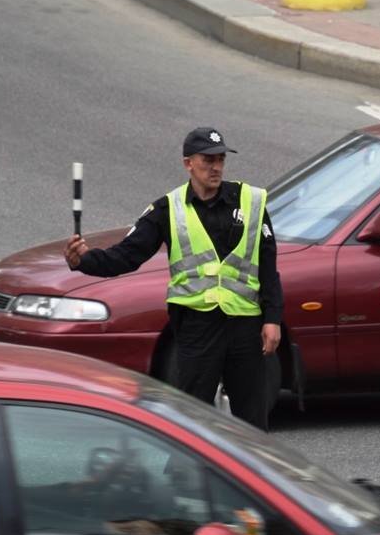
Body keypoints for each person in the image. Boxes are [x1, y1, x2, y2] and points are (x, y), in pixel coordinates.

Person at [64, 127, 282, 430]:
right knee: (192, 420)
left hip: (245, 324)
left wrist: (273, 319)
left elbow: (268, 266)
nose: (216, 167)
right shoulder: (167, 209)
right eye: (207, 160)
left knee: (253, 422)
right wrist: (84, 261)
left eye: (220, 159)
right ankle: (186, 476)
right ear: (188, 163)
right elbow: (128, 255)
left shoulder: (250, 202)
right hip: (197, 326)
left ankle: (255, 475)